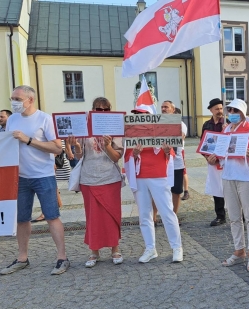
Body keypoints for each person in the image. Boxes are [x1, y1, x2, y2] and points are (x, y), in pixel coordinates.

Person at [0, 85, 69, 275]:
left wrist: (29, 140)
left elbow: (57, 149)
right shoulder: (12, 119)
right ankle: (22, 257)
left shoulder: (45, 119)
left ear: (30, 100)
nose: (13, 102)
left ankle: (62, 257)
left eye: (17, 99)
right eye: (12, 98)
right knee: (22, 219)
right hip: (20, 177)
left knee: (52, 216)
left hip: (43, 175)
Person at [68, 97, 124, 267]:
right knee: (93, 217)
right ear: (92, 110)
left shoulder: (115, 126)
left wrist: (107, 145)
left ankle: (115, 249)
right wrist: (76, 146)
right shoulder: (84, 125)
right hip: (89, 178)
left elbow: (116, 157)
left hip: (110, 178)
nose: (102, 112)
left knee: (112, 215)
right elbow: (79, 156)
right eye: (98, 109)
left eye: (105, 109)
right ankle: (94, 251)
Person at [124, 106, 183, 263]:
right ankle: (150, 248)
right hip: (140, 176)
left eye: (142, 115)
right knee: (144, 214)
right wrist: (135, 154)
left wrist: (166, 150)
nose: (139, 118)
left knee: (167, 212)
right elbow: (128, 156)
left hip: (158, 176)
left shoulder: (161, 130)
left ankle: (177, 247)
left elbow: (170, 154)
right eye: (137, 115)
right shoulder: (131, 132)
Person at [216, 99, 249, 272]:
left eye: (235, 110)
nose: (232, 113)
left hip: (245, 177)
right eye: (230, 110)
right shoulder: (227, 129)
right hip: (228, 176)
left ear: (243, 113)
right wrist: (215, 156)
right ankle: (239, 251)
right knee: (234, 216)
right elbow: (221, 153)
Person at [202, 98, 227, 226]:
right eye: (217, 109)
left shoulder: (228, 124)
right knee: (216, 188)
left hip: (226, 162)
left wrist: (227, 130)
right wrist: (208, 158)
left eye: (221, 108)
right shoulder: (207, 125)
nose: (220, 111)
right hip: (213, 162)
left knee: (231, 187)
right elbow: (203, 144)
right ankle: (220, 215)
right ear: (211, 110)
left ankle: (239, 215)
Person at [161, 100, 186, 215]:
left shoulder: (180, 124)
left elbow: (179, 139)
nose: (163, 109)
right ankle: (155, 218)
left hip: (176, 163)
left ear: (173, 109)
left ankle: (174, 215)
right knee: (159, 190)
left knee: (176, 191)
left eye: (166, 107)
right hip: (160, 162)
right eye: (162, 107)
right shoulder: (158, 125)